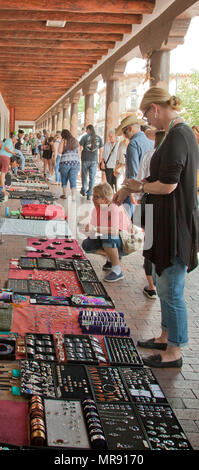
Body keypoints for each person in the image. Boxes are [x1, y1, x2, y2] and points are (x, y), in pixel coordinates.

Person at [113, 86, 199, 368]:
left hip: (174, 226)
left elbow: (168, 184)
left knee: (171, 289)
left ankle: (174, 350)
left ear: (156, 108)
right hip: (163, 222)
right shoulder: (173, 135)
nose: (147, 120)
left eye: (147, 114)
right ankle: (166, 336)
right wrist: (130, 188)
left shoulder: (178, 135)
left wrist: (139, 186)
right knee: (163, 284)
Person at [134, 130, 165, 299]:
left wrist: (138, 199)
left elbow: (141, 179)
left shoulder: (149, 155)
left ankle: (151, 286)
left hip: (150, 203)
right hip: (166, 209)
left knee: (149, 241)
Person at [82, 182, 131, 282]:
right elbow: (93, 231)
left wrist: (94, 228)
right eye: (93, 196)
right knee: (87, 244)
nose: (93, 199)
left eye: (96, 197)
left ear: (105, 199)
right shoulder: (96, 209)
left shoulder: (113, 207)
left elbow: (114, 231)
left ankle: (117, 270)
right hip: (113, 239)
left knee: (108, 237)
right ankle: (111, 258)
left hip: (125, 242)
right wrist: (89, 230)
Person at [116, 114, 154, 217]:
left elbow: (133, 171)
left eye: (124, 132)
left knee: (128, 218)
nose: (124, 135)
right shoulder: (151, 141)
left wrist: (131, 191)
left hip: (137, 187)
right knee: (148, 221)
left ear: (131, 128)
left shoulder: (133, 143)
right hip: (150, 187)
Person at [79, 124, 103, 200]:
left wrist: (80, 157)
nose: (86, 131)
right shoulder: (99, 138)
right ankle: (90, 193)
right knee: (92, 177)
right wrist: (99, 161)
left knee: (84, 176)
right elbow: (101, 151)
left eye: (86, 130)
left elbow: (80, 148)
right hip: (94, 160)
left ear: (89, 129)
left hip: (85, 159)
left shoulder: (85, 137)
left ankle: (84, 190)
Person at [58, 129, 80, 200]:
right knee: (73, 179)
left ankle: (64, 194)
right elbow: (78, 152)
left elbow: (60, 151)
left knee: (64, 178)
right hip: (75, 162)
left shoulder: (64, 141)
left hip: (65, 162)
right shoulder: (75, 140)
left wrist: (61, 143)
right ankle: (73, 196)